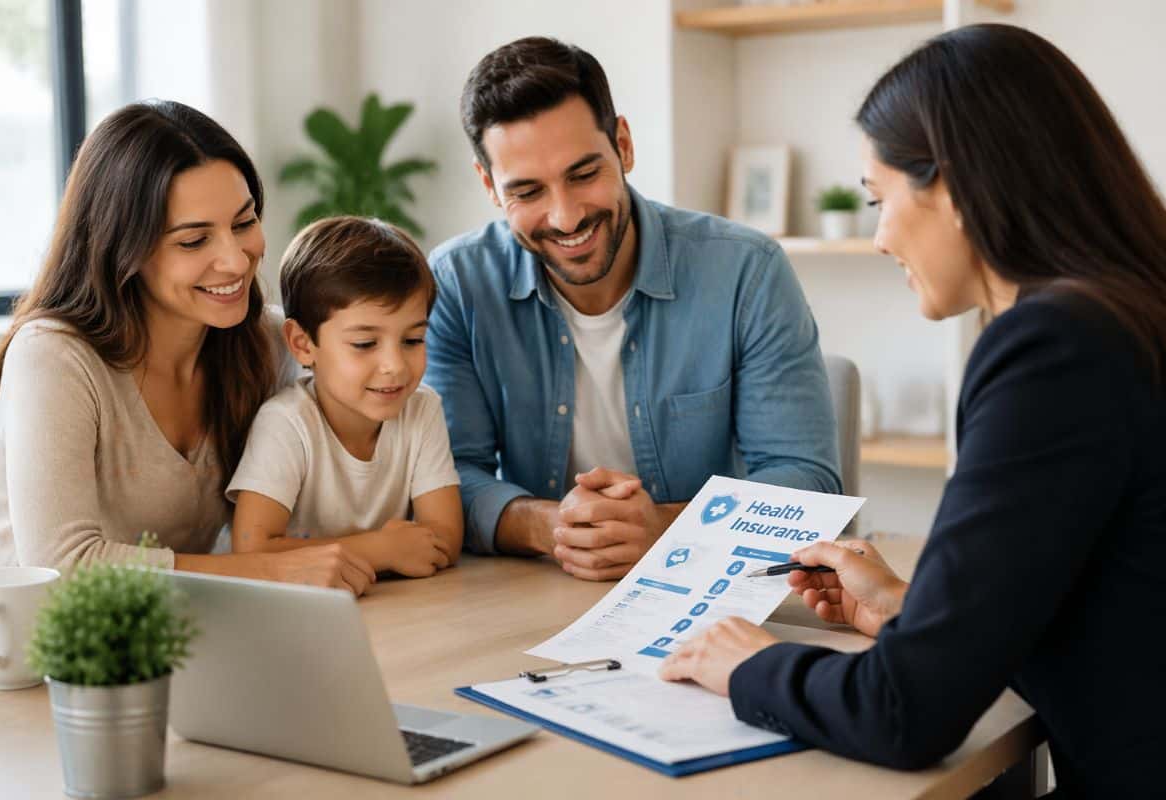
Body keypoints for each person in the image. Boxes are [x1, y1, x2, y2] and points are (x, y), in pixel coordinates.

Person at [659, 24, 1166, 797]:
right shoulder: (1126, 314)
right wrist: (913, 614)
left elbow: (904, 712)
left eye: (880, 198)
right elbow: (1114, 612)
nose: (879, 236)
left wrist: (749, 666)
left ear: (955, 188)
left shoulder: (1054, 348)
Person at [426, 36, 841, 581]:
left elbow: (805, 478)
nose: (566, 216)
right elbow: (450, 477)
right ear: (489, 185)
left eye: (583, 174)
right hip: (535, 589)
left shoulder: (746, 271)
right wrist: (555, 527)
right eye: (527, 192)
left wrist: (664, 529)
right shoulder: (456, 283)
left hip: (705, 586)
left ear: (622, 144)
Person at [0, 101, 375, 595]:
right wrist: (268, 570)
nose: (235, 259)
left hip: (169, 637)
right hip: (15, 650)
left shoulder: (265, 343)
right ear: (125, 249)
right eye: (193, 241)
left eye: (243, 223)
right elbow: (64, 567)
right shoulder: (53, 356)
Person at [227, 216, 463, 578]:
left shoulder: (422, 409)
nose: (394, 366)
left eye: (413, 340)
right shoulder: (286, 423)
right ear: (303, 345)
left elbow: (446, 537)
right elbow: (251, 550)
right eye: (365, 344)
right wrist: (379, 550)